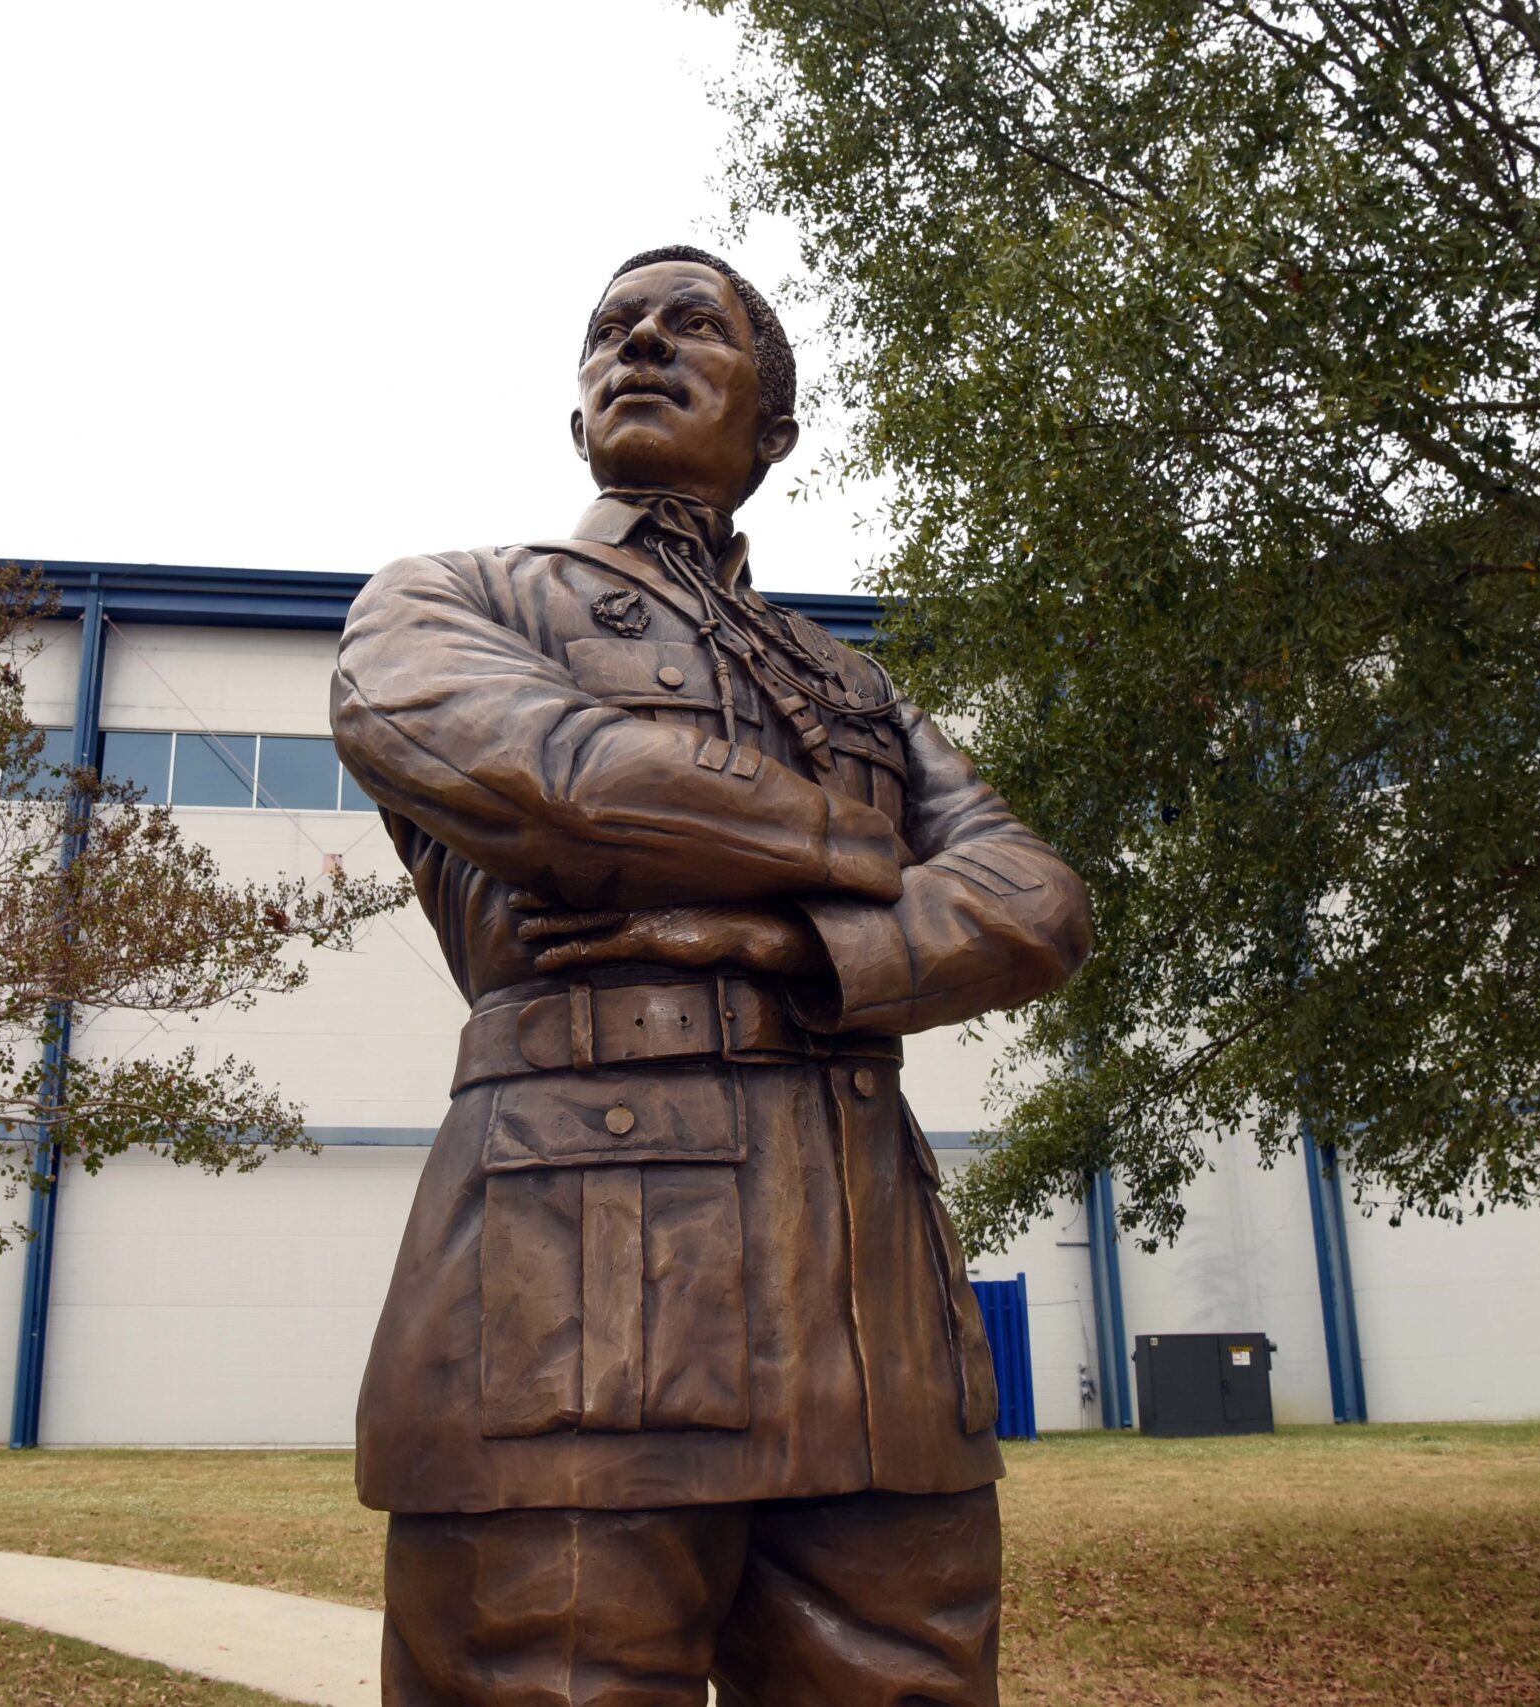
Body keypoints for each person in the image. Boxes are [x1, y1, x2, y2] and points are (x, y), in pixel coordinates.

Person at [331, 244, 1091, 1707]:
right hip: (570, 1284)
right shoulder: (449, 599)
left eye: (694, 327)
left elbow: (1039, 901)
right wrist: (863, 847)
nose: (644, 345)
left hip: (872, 1306)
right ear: (576, 419)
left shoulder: (855, 684)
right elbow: (568, 782)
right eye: (612, 330)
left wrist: (794, 940)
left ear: (776, 427)